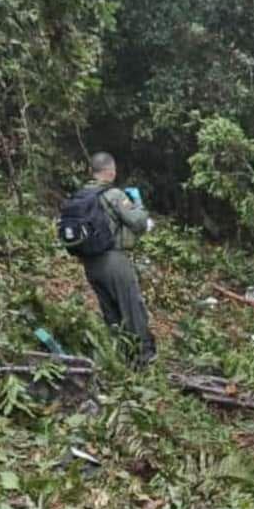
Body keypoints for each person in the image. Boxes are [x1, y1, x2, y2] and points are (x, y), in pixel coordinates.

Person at [82, 152, 156, 365]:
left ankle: (119, 358)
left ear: (91, 171)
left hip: (90, 263)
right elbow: (138, 223)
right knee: (131, 308)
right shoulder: (114, 194)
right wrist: (139, 204)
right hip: (113, 260)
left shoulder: (82, 195)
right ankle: (143, 357)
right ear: (111, 171)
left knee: (110, 312)